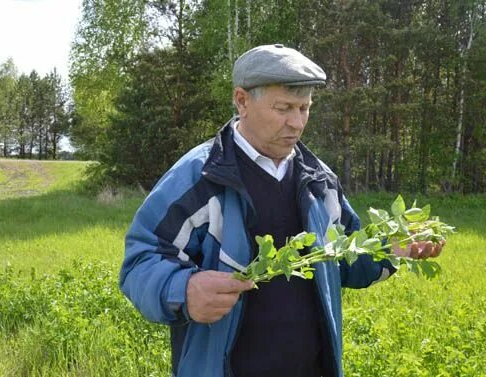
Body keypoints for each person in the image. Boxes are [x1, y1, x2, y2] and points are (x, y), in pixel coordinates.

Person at [119, 44, 444, 377]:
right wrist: (184, 290)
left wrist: (390, 250)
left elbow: (345, 261)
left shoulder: (318, 181)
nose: (297, 122)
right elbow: (140, 263)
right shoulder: (199, 179)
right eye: (284, 108)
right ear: (242, 101)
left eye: (305, 108)